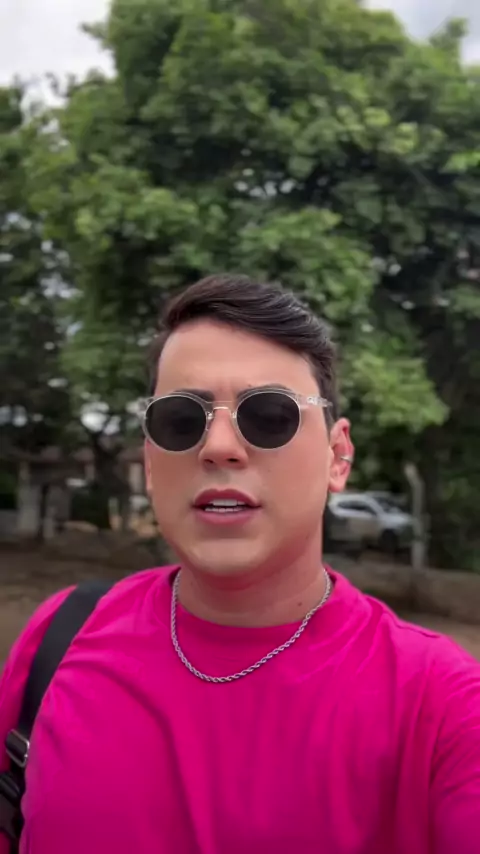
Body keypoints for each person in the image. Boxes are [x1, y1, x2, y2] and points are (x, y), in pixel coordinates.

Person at [0, 273, 479, 854]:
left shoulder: (443, 705)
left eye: (270, 415)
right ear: (149, 461)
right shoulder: (61, 636)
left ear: (338, 456)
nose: (219, 447)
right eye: (181, 420)